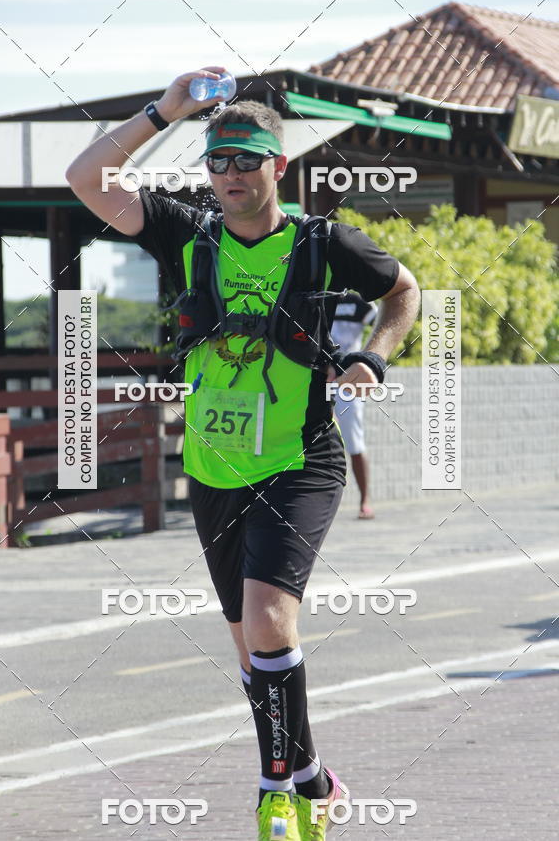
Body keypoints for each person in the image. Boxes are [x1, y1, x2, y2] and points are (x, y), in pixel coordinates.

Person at [66, 66, 420, 841]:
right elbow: (86, 177)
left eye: (245, 159)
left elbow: (407, 292)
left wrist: (374, 355)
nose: (228, 174)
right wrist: (164, 110)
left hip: (300, 460)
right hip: (213, 470)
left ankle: (274, 796)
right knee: (255, 650)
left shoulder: (326, 245)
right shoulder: (184, 231)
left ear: (278, 167)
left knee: (268, 622)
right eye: (216, 160)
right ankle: (314, 779)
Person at [331, 291, 378, 519]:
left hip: (349, 379)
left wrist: (369, 359)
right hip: (318, 376)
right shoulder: (320, 293)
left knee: (354, 439)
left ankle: (365, 499)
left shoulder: (360, 302)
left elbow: (381, 323)